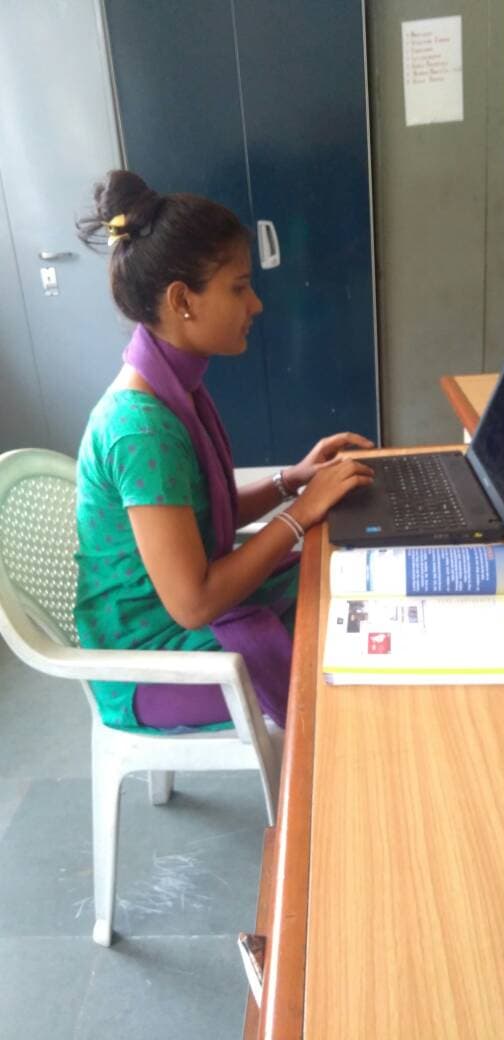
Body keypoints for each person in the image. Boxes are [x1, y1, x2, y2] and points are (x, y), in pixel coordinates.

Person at [74, 169, 374, 735]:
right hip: (152, 663)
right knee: (349, 653)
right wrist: (302, 512)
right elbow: (194, 603)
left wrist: (293, 479)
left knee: (350, 584)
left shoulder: (171, 386)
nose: (255, 304)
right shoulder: (141, 428)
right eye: (239, 287)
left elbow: (201, 519)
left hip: (181, 624)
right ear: (182, 300)